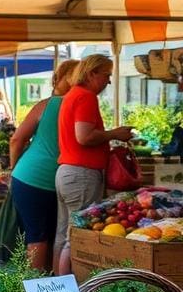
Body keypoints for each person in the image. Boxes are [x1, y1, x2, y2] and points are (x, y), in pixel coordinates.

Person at [55, 55, 135, 274]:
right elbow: (84, 136)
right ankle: (71, 289)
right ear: (91, 73)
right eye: (106, 75)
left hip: (67, 172)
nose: (108, 81)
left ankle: (58, 286)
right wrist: (115, 134)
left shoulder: (71, 95)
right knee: (77, 237)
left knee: (64, 234)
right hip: (82, 175)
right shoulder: (86, 97)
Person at [8, 59, 79, 272]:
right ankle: (36, 291)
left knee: (38, 236)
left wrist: (13, 169)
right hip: (50, 179)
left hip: (28, 177)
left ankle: (38, 290)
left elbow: (16, 140)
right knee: (46, 237)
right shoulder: (77, 105)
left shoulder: (45, 105)